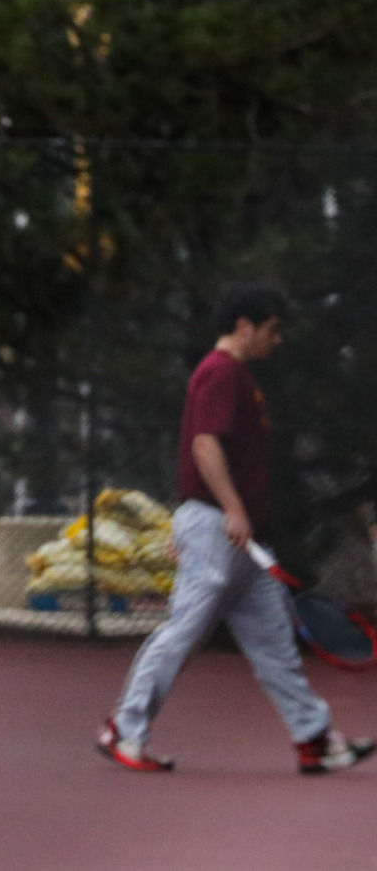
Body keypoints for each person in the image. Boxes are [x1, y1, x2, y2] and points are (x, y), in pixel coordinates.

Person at [98, 282, 376, 776]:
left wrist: (247, 521)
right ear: (245, 326)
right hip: (214, 527)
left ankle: (315, 739)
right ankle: (125, 728)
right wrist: (233, 510)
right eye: (272, 330)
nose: (278, 340)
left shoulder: (241, 377)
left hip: (245, 540)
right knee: (184, 631)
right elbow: (206, 445)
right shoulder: (220, 373)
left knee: (274, 645)